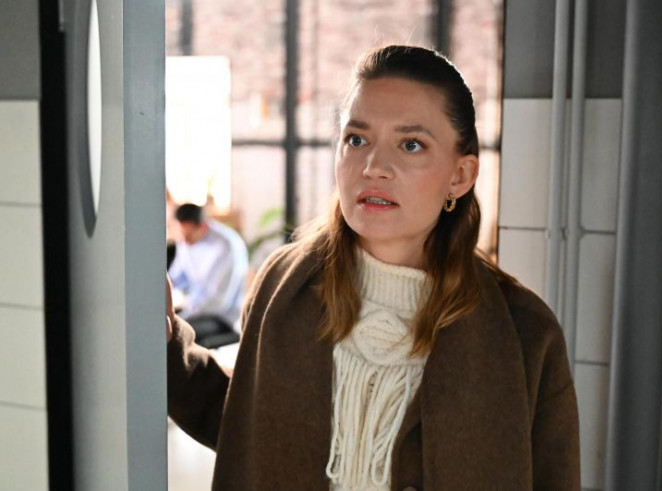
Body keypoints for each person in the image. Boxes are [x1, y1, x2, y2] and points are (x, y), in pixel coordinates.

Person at [167, 45, 580, 490]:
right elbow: (247, 430)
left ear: (459, 176)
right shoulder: (282, 287)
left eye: (411, 145)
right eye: (357, 139)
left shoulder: (525, 334)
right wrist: (164, 340)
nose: (374, 167)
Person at [168, 203, 248, 348]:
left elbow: (218, 302)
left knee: (175, 336)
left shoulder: (226, 245)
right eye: (182, 234)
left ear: (203, 226)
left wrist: (183, 316)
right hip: (195, 308)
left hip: (221, 317)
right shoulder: (186, 241)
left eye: (188, 235)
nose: (184, 240)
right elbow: (177, 277)